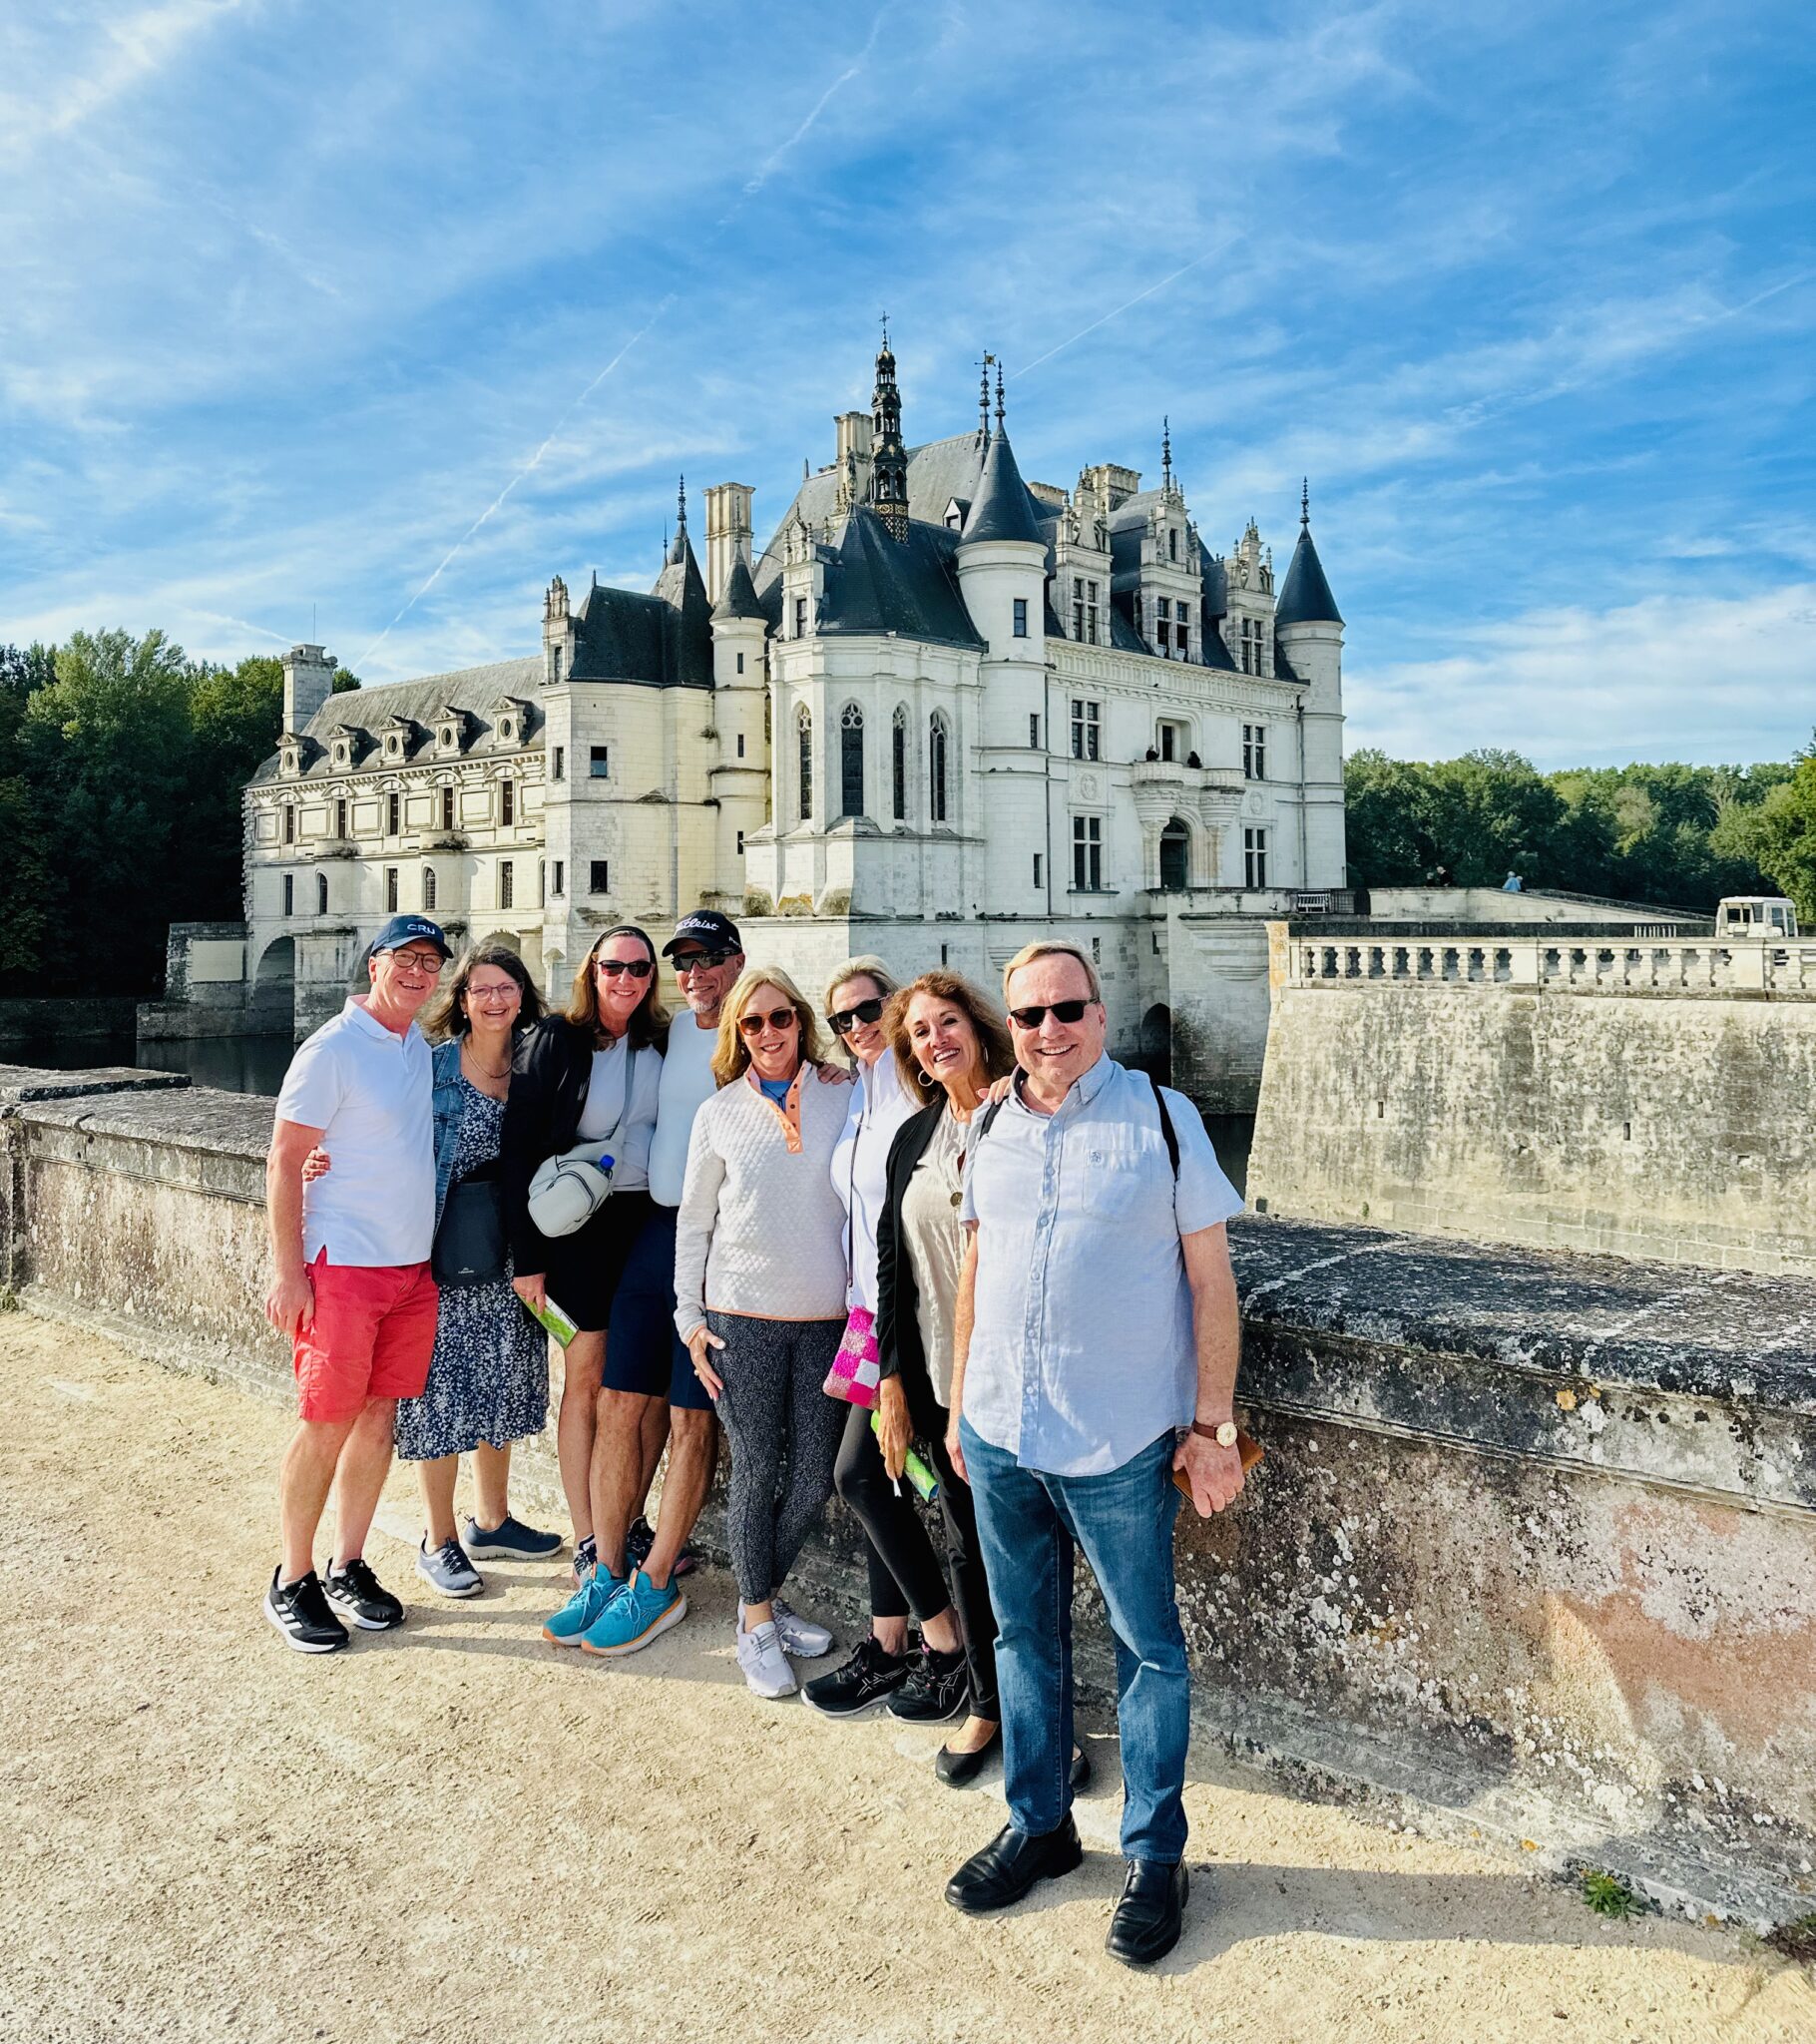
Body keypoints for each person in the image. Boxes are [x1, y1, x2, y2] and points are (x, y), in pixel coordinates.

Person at [943, 939, 1247, 1967]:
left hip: (1116, 1437)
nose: (1046, 1030)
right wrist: (957, 1402)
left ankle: (1154, 1853)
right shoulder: (987, 1118)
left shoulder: (1160, 1118)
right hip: (999, 1428)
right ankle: (1039, 1824)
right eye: (1027, 1015)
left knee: (1146, 1648)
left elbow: (1211, 1280)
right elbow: (977, 1262)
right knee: (1020, 1638)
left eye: (1064, 1008)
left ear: (1099, 1013)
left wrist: (1212, 1427)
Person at [810, 972, 1016, 1777]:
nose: (935, 1041)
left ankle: (1027, 1715)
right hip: (929, 1364)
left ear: (979, 1025)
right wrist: (894, 1387)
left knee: (1015, 1548)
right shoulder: (909, 1134)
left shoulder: (1017, 1115)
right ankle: (987, 1703)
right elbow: (893, 1269)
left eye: (948, 1023)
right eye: (920, 1033)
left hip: (1006, 1370)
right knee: (963, 1539)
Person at [260, 914, 450, 1652]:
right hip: (341, 1266)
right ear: (374, 964)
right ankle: (292, 1577)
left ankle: (348, 1563)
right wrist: (287, 1272)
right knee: (326, 1423)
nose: (418, 972)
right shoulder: (332, 1048)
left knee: (378, 1421)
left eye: (431, 963)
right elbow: (284, 1159)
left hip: (409, 1268)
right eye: (405, 958)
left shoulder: (415, 1049)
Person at [565, 908, 741, 1657]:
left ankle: (659, 1578)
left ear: (736, 959)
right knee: (618, 1401)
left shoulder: (757, 1030)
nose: (693, 972)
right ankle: (609, 1567)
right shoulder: (669, 1035)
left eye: (708, 957)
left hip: (725, 1248)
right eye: (683, 960)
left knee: (689, 1415)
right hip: (657, 1232)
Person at [673, 967, 849, 1699]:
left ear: (800, 1022)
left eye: (780, 1019)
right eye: (753, 1023)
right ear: (737, 1033)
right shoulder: (718, 1113)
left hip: (828, 1320)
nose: (769, 1033)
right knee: (755, 1470)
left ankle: (763, 1606)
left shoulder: (846, 1093)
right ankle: (756, 1620)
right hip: (741, 1318)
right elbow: (695, 1222)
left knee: (814, 1477)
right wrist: (689, 1320)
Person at [500, 926, 664, 1640]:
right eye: (613, 967)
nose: (625, 978)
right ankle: (591, 1538)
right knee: (588, 1376)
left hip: (648, 1218)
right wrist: (527, 1257)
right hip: (575, 1229)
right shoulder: (556, 1040)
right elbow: (518, 1150)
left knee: (642, 1381)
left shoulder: (666, 1040)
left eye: (639, 968)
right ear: (591, 972)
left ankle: (627, 1519)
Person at [395, 945, 563, 1592]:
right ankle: (437, 1539)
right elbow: (386, 1143)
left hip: (514, 1258)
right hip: (443, 1255)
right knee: (438, 1397)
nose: (494, 1000)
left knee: (499, 1385)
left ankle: (491, 1522)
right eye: (481, 990)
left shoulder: (534, 1067)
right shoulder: (433, 1069)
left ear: (523, 997)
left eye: (507, 988)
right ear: (461, 1001)